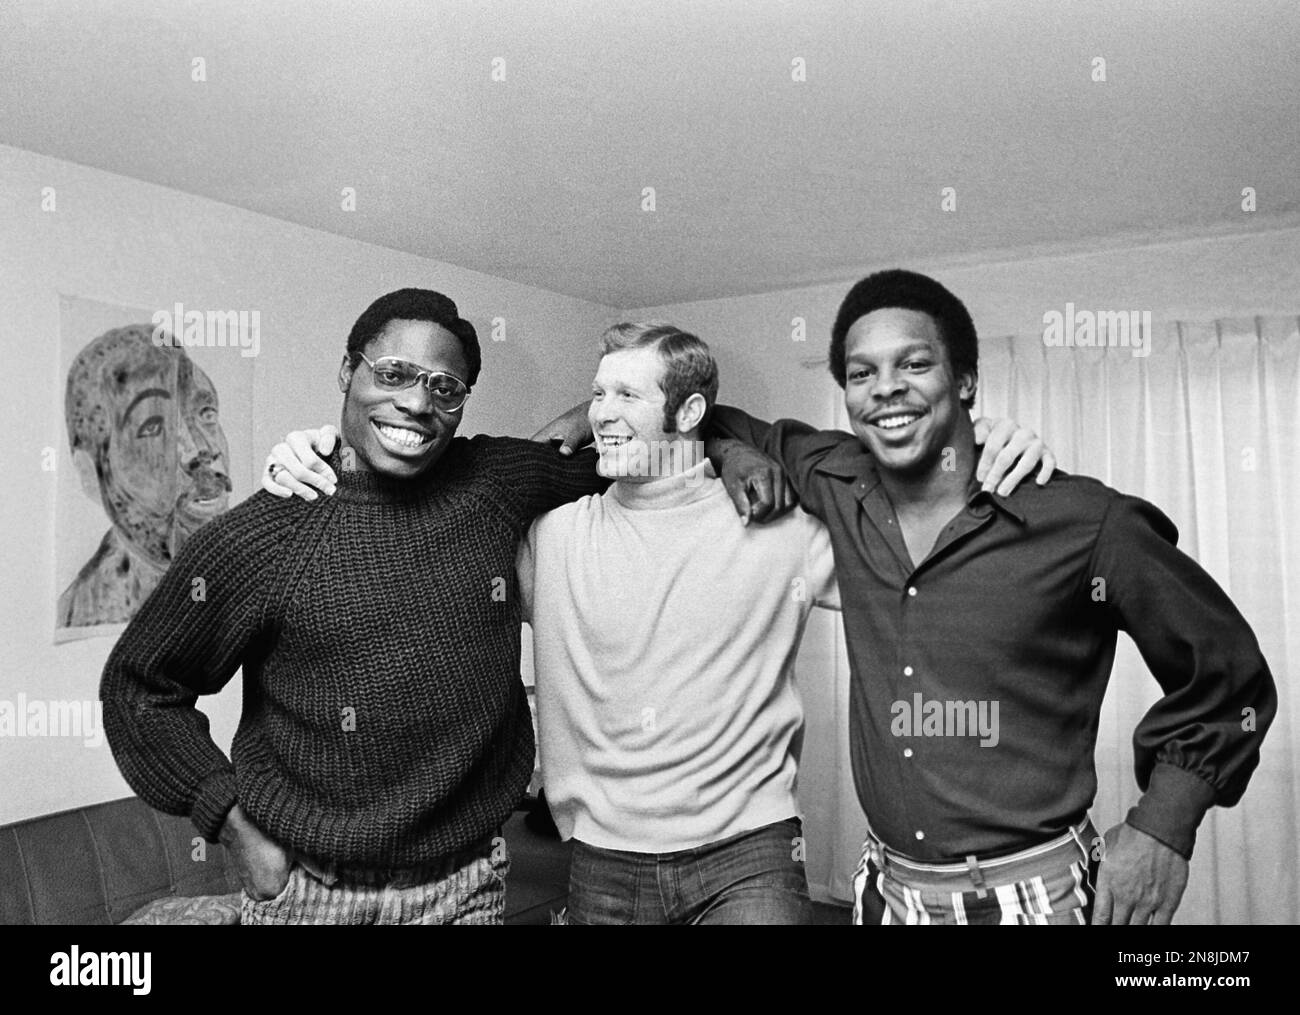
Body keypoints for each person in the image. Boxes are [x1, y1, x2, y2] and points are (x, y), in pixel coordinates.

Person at [269, 319, 1053, 924]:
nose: (598, 415)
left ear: (691, 412)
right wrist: (321, 456)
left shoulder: (776, 521)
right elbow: (428, 499)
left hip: (750, 855)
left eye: (624, 397)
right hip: (600, 860)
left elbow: (932, 567)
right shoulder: (550, 533)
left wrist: (989, 463)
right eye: (595, 394)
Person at [703, 269, 1277, 925]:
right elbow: (715, 418)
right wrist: (729, 453)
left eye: (913, 363)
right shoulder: (835, 477)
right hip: (884, 891)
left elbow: (1230, 671)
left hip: (1033, 898)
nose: (884, 385)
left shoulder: (1085, 520)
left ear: (967, 381)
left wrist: (1164, 827)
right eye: (861, 374)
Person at [104, 288, 684, 925]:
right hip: (309, 892)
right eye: (393, 374)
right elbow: (140, 688)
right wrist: (232, 822)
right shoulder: (265, 533)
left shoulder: (491, 481)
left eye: (445, 387)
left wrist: (733, 444)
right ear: (348, 371)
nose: (416, 402)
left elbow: (639, 428)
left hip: (466, 886)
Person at [60, 324, 231, 629]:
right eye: (154, 427)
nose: (200, 450)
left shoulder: (235, 576)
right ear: (91, 474)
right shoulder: (92, 611)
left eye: (205, 413)